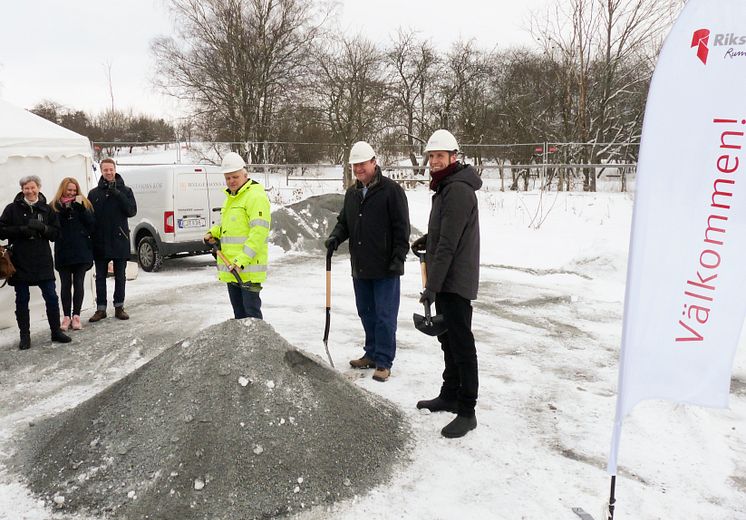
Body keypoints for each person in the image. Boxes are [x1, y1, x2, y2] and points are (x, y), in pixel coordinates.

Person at [413, 129, 482, 438]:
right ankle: (450, 393)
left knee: (462, 343)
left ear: (454, 157)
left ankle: (467, 410)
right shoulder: (446, 188)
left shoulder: (456, 190)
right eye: (432, 157)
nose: (435, 161)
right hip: (448, 277)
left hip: (455, 278)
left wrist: (432, 287)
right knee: (448, 340)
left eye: (441, 156)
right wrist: (427, 238)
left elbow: (449, 245)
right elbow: (445, 232)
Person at [325, 141, 410, 383]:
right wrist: (335, 238)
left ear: (374, 162)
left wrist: (398, 258)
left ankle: (383, 361)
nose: (358, 169)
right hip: (360, 266)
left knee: (385, 316)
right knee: (366, 313)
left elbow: (401, 228)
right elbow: (345, 223)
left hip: (385, 267)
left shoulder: (391, 191)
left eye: (362, 164)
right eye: (355, 165)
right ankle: (371, 353)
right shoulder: (352, 193)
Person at [0, 175, 71, 349]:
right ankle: (25, 336)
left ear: (38, 187)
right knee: (22, 299)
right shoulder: (11, 209)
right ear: (22, 189)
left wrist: (44, 228)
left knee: (52, 297)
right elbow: (1, 231)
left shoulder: (47, 209)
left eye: (32, 187)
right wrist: (21, 230)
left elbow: (56, 234)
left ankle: (56, 332)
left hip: (42, 260)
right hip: (20, 261)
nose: (30, 191)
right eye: (26, 188)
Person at [204, 152, 270, 319]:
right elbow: (226, 225)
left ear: (245, 175)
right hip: (231, 267)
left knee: (252, 317)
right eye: (228, 178)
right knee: (239, 316)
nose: (231, 181)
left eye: (235, 177)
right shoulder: (231, 198)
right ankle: (243, 346)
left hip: (247, 269)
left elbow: (258, 233)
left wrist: (241, 261)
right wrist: (213, 233)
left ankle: (257, 345)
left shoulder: (255, 197)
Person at [87, 158, 137, 322]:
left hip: (119, 239)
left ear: (115, 169)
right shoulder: (94, 193)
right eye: (105, 170)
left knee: (120, 276)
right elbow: (90, 218)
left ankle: (119, 306)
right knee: (100, 276)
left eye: (111, 169)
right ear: (101, 171)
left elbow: (131, 211)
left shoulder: (126, 190)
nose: (108, 172)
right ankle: (101, 309)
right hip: (100, 241)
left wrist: (117, 193)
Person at [50, 177, 95, 331]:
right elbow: (53, 228)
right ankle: (66, 316)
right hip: (63, 251)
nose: (71, 192)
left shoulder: (84, 203)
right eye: (69, 190)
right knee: (65, 284)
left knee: (79, 283)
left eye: (74, 190)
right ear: (63, 189)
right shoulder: (54, 206)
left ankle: (76, 316)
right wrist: (63, 212)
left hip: (81, 250)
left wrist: (81, 210)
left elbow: (92, 225)